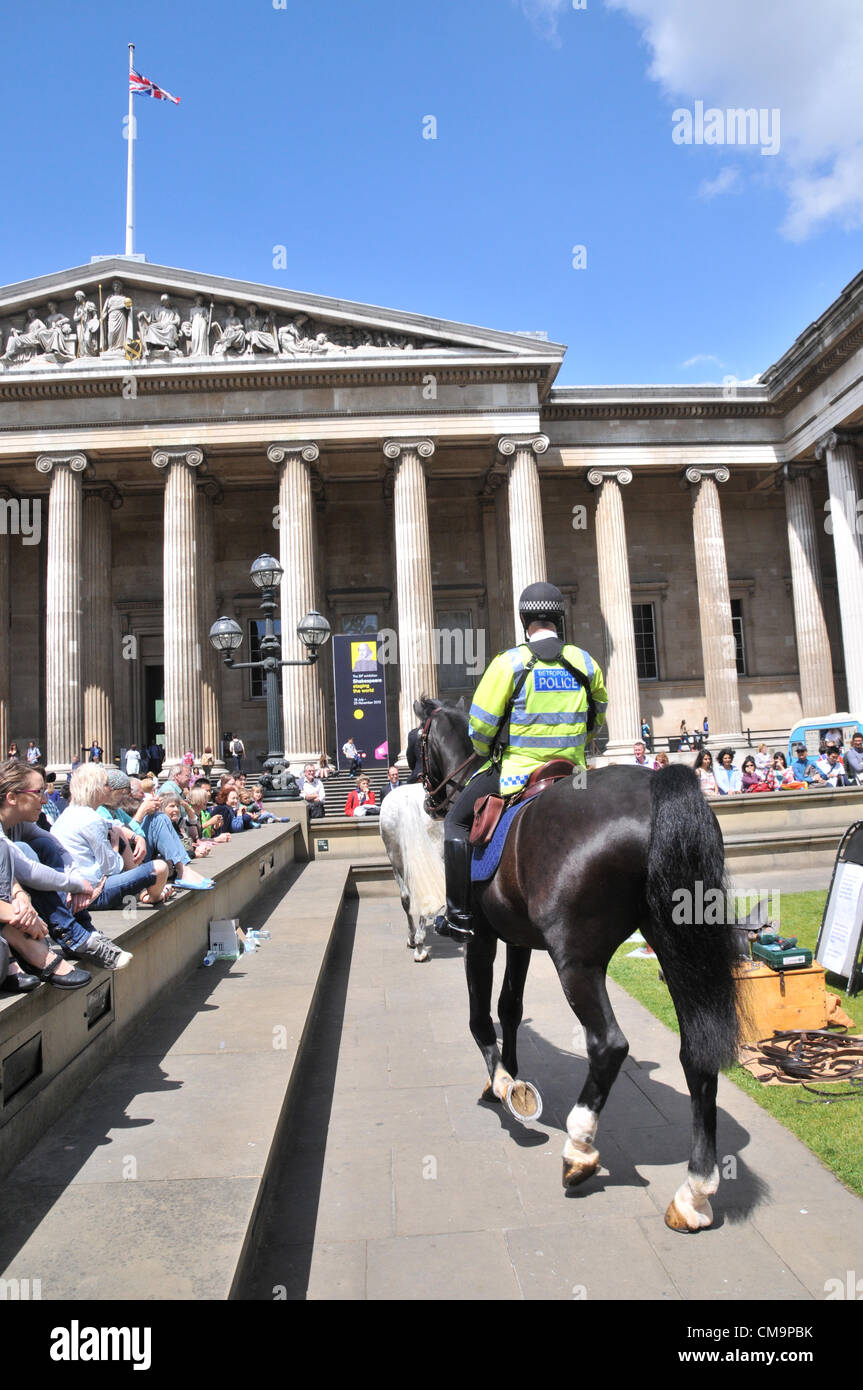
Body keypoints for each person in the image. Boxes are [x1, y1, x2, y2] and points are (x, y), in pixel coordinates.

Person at [439, 582, 608, 940]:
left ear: (524, 619)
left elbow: (480, 728)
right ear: (559, 618)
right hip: (575, 776)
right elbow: (596, 718)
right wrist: (574, 747)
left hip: (517, 776)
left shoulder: (509, 663)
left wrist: (487, 751)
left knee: (454, 822)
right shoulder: (584, 662)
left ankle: (457, 915)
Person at [51, 765, 171, 909]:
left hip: (76, 888)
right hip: (95, 892)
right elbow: (112, 868)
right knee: (160, 868)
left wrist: (136, 837)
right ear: (95, 788)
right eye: (107, 784)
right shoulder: (91, 820)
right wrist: (114, 846)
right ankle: (154, 897)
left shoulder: (71, 812)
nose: (110, 788)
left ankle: (144, 892)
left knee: (118, 831)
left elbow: (113, 824)